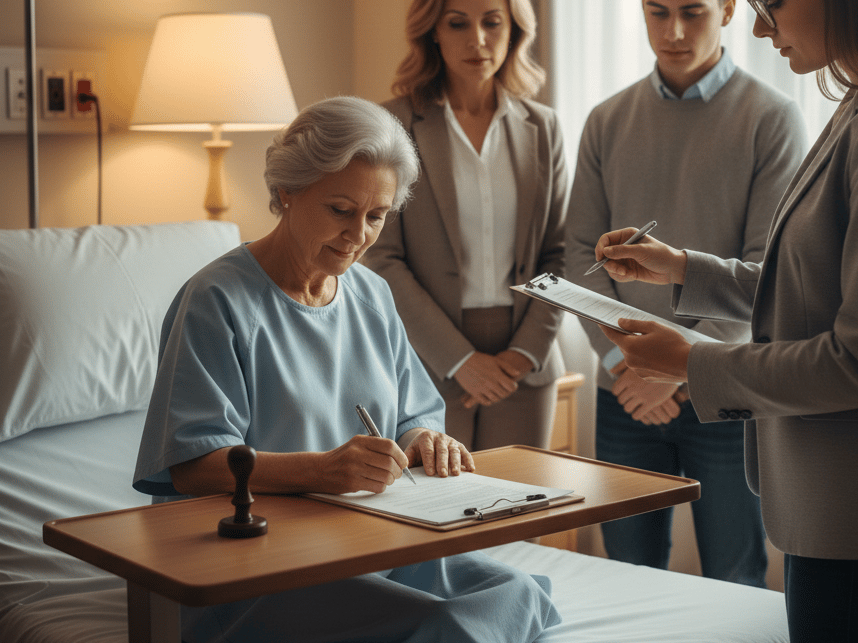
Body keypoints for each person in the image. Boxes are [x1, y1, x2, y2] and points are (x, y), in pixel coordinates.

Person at [592, 0, 858, 639]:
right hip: (845, 510)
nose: (756, 27)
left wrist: (692, 362)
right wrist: (681, 269)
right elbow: (810, 292)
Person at [132, 96, 561, 643]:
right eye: (341, 210)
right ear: (287, 191)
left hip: (373, 543)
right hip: (260, 564)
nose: (359, 233)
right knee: (443, 625)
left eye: (376, 216)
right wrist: (320, 471)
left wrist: (429, 441)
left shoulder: (372, 294)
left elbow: (412, 418)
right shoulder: (216, 301)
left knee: (519, 593)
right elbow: (191, 466)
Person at [566, 0, 806, 585]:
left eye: (692, 13)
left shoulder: (773, 119)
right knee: (627, 577)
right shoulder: (605, 121)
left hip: (722, 393)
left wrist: (675, 371)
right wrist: (626, 366)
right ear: (641, 5)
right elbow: (577, 258)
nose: (673, 32)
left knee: (734, 576)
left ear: (727, 11)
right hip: (621, 393)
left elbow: (767, 274)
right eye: (657, 12)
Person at [362, 0, 567, 451]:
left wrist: (523, 354)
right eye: (458, 24)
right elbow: (383, 257)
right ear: (433, 30)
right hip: (428, 359)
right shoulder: (393, 124)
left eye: (492, 22)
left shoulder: (544, 127)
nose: (477, 40)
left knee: (521, 516)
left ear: (514, 28)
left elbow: (561, 254)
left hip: (527, 362)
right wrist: (459, 360)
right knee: (438, 519)